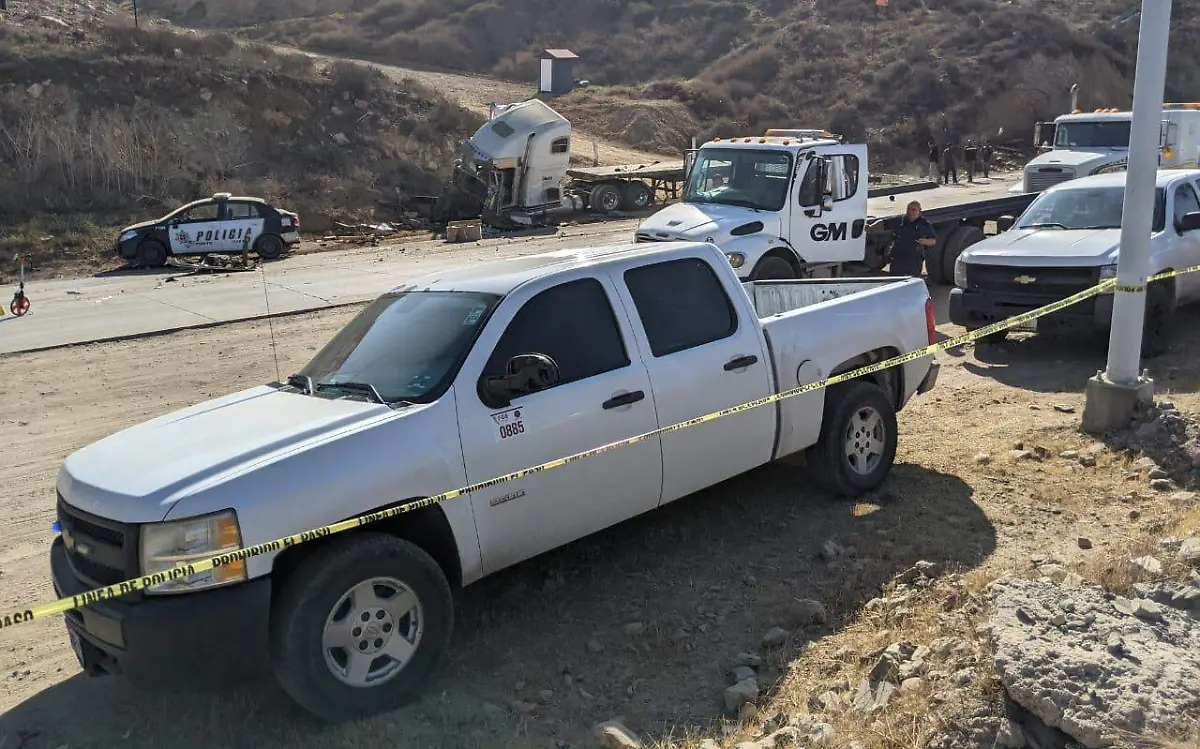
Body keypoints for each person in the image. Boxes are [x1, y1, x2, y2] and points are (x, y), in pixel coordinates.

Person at [888, 201, 938, 278]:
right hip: (898, 258)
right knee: (894, 282)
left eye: (913, 210)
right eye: (908, 209)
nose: (910, 212)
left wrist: (924, 241)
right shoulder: (900, 220)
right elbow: (884, 223)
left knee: (911, 282)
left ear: (919, 212)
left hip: (914, 260)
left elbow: (933, 241)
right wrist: (870, 227)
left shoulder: (924, 224)